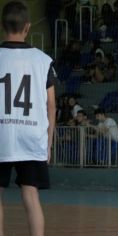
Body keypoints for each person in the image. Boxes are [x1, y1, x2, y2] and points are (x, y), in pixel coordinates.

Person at [0, 2, 56, 236]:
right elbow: (51, 105)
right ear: (28, 27)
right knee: (31, 194)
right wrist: (49, 142)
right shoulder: (43, 60)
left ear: (3, 26)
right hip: (31, 135)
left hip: (1, 134)